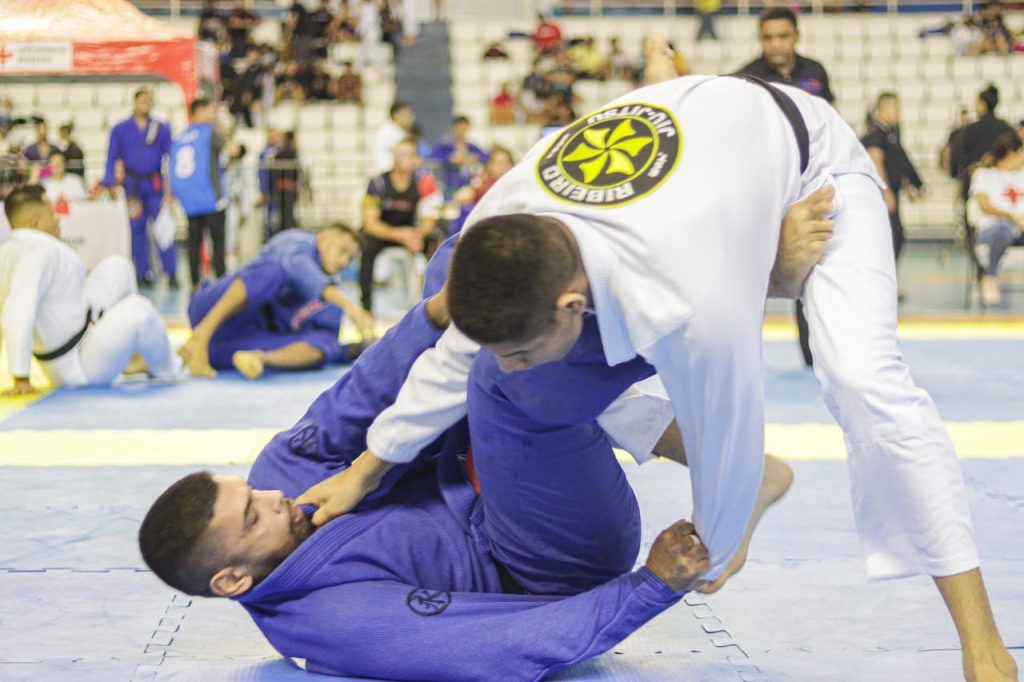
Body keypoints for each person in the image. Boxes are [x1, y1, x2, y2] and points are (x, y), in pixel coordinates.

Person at [298, 75, 1018, 682]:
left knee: (866, 383)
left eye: (517, 345)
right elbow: (460, 349)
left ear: (570, 304)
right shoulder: (499, 224)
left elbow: (727, 423)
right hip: (694, 172)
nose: (504, 363)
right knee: (520, 377)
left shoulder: (692, 302)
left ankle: (982, 643)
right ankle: (763, 261)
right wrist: (368, 467)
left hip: (806, 165)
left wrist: (717, 532)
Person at [140, 269, 710, 681]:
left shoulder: (280, 478)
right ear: (232, 580)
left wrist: (433, 313)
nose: (271, 496)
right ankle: (699, 308)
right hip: (550, 558)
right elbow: (498, 647)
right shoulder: (331, 623)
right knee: (503, 367)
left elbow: (360, 395)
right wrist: (651, 587)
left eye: (251, 491)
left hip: (479, 465)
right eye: (251, 514)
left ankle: (694, 435)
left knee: (467, 270)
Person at [0, 185, 178, 395]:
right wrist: (21, 377)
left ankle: (133, 356)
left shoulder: (16, 249)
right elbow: (18, 313)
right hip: (80, 366)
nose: (58, 218)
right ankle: (171, 369)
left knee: (117, 267)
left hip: (83, 334)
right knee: (140, 311)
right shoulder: (35, 252)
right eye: (51, 213)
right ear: (34, 223)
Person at [737, 7, 834, 367]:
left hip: (809, 184)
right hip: (763, 186)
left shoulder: (815, 72)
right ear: (760, 39)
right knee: (752, 272)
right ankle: (744, 357)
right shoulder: (745, 77)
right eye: (769, 37)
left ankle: (816, 357)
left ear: (796, 36)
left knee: (812, 269)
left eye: (783, 36)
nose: (776, 44)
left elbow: (830, 120)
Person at [178, 224, 374, 380]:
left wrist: (361, 347)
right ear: (322, 239)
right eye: (343, 251)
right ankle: (201, 336)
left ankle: (256, 358)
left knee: (326, 341)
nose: (344, 262)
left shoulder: (332, 300)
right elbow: (301, 270)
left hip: (247, 337)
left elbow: (325, 342)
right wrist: (352, 308)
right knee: (274, 271)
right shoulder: (298, 242)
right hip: (212, 309)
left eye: (350, 258)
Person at [102, 89, 175, 289]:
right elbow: (111, 156)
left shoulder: (160, 128)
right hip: (132, 185)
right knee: (137, 230)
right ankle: (142, 272)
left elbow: (171, 159)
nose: (145, 103)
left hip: (155, 183)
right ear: (134, 102)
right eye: (142, 100)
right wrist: (110, 183)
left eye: (149, 100)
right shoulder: (120, 129)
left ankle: (172, 272)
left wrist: (171, 191)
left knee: (163, 228)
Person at [359, 138, 441, 312]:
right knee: (366, 245)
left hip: (411, 232)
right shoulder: (377, 183)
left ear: (416, 159)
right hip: (384, 233)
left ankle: (432, 303)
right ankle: (366, 307)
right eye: (396, 153)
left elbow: (429, 220)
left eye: (405, 154)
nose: (399, 158)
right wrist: (401, 235)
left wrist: (416, 235)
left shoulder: (424, 182)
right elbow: (370, 224)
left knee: (435, 243)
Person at [170, 97, 238, 290]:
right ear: (200, 111)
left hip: (190, 200)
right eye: (210, 110)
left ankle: (193, 281)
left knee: (194, 242)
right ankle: (222, 281)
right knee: (218, 242)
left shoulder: (180, 137)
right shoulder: (210, 133)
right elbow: (233, 150)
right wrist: (226, 130)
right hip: (211, 198)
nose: (213, 114)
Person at [861, 92, 923, 266]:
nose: (898, 113)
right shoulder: (875, 133)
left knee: (896, 236)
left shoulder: (891, 133)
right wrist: (885, 192)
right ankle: (882, 280)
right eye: (895, 108)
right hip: (880, 194)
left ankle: (888, 279)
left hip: (892, 190)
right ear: (882, 109)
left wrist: (910, 184)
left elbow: (898, 160)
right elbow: (876, 161)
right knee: (890, 236)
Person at [966, 132, 1024, 305]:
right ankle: (990, 276)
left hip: (1019, 228)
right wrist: (1010, 215)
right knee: (1003, 230)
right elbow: (984, 204)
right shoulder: (984, 175)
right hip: (993, 228)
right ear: (1011, 154)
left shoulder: (1021, 176)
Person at [951, 84, 1014, 200]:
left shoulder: (970, 129)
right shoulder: (1006, 129)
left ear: (982, 104)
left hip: (975, 185)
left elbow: (956, 157)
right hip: (1001, 185)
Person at [450, 145, 514, 235]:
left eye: (506, 163)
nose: (503, 168)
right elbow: (460, 197)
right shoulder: (484, 183)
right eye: (499, 163)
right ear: (490, 165)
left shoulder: (515, 185)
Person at [429, 115, 488, 200]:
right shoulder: (445, 146)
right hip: (449, 184)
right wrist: (449, 159)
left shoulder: (471, 147)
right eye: (459, 128)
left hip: (466, 184)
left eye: (464, 129)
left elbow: (486, 156)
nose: (462, 132)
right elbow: (433, 158)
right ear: (454, 128)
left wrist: (474, 158)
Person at [372, 101, 415, 175]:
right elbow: (384, 159)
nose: (410, 119)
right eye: (407, 115)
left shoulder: (401, 132)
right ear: (396, 115)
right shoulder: (386, 133)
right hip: (390, 175)